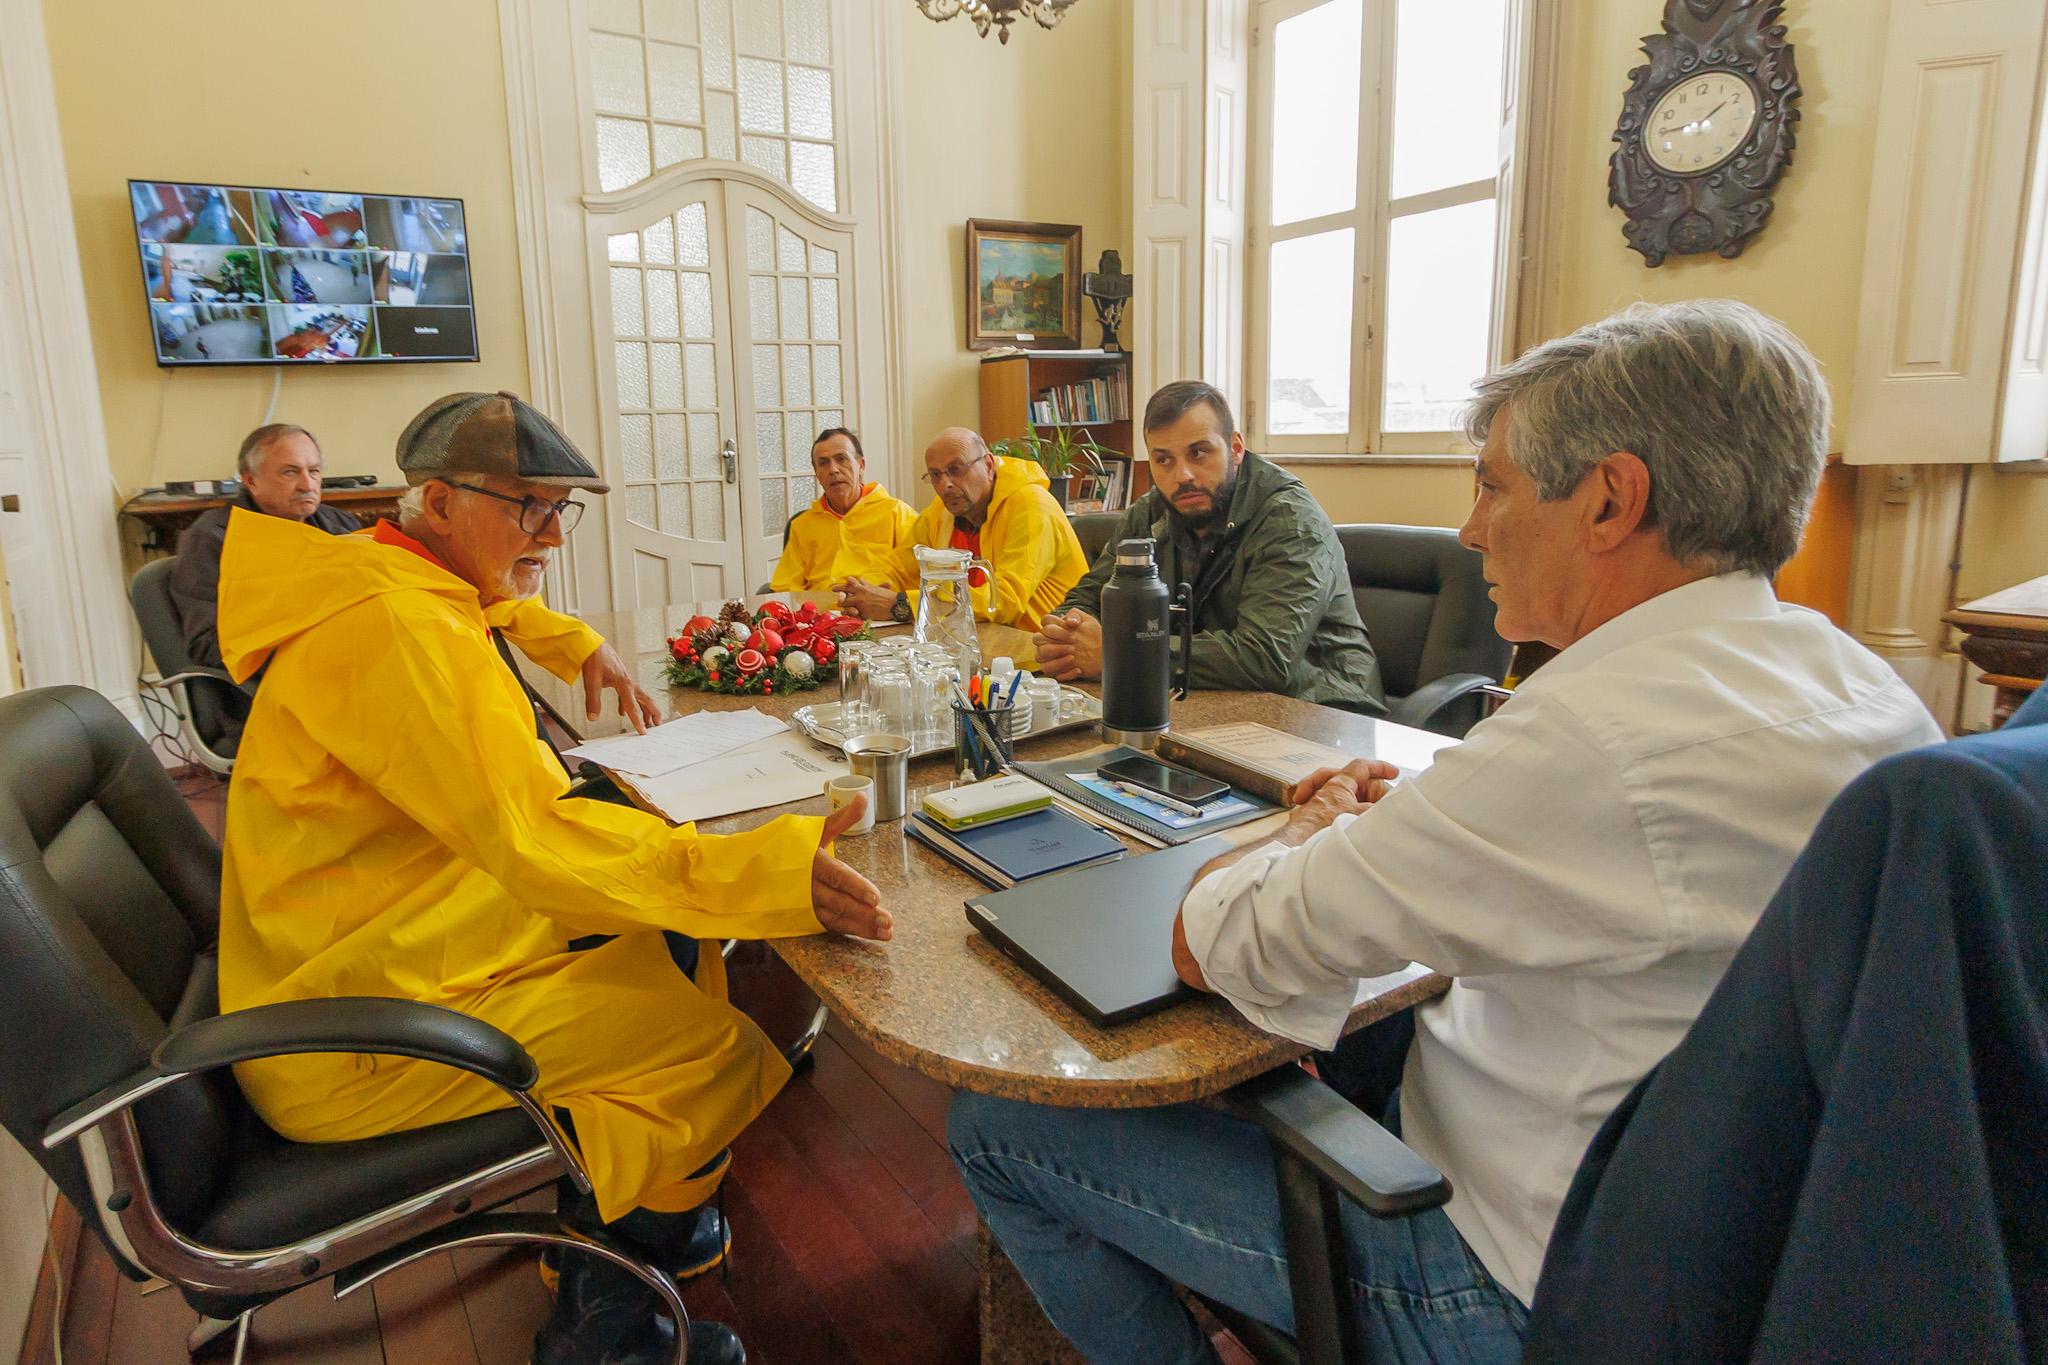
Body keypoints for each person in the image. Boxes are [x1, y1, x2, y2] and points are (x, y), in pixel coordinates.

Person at [948, 301, 1943, 1364]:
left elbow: (1210, 939)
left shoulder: (1589, 739)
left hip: (1504, 1289)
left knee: (997, 1124)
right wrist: (1434, 818)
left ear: (1609, 500)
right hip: (1738, 1272)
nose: (1469, 529)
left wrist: (1305, 834)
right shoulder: (1872, 694)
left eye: (1491, 484)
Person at [215, 391, 891, 1365]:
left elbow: (492, 603)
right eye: (527, 508)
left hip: (369, 946)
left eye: (558, 510)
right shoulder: (405, 636)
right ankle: (601, 1322)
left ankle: (632, 1196)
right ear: (438, 503)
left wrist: (578, 642)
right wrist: (768, 870)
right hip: (353, 1025)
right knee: (704, 1045)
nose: (551, 536)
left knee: (657, 935)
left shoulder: (376, 572)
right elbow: (536, 841)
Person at [1033, 381, 1385, 712]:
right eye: (1164, 460)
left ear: (1235, 448)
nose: (1182, 476)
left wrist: (1120, 653)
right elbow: (1089, 596)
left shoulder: (1291, 522)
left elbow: (1265, 658)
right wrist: (1068, 636)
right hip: (1203, 699)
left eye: (1198, 453)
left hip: (1323, 710)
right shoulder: (1151, 511)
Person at [831, 426, 1087, 633]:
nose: (946, 485)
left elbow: (1005, 601)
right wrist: (862, 593)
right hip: (980, 640)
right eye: (935, 475)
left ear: (988, 465)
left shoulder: (1032, 505)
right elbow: (899, 566)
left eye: (956, 470)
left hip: (1042, 652)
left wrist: (900, 605)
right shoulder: (943, 512)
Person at [168, 424, 361, 673]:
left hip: (349, 659)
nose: (306, 485)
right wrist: (310, 652)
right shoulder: (212, 538)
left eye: (313, 471)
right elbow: (207, 643)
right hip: (275, 679)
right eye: (290, 473)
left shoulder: (340, 525)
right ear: (251, 480)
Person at [768, 426, 917, 591]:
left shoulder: (896, 513)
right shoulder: (802, 526)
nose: (833, 469)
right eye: (823, 463)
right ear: (816, 473)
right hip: (822, 612)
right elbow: (785, 587)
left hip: (881, 612)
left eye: (841, 459)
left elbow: (919, 580)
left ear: (861, 465)